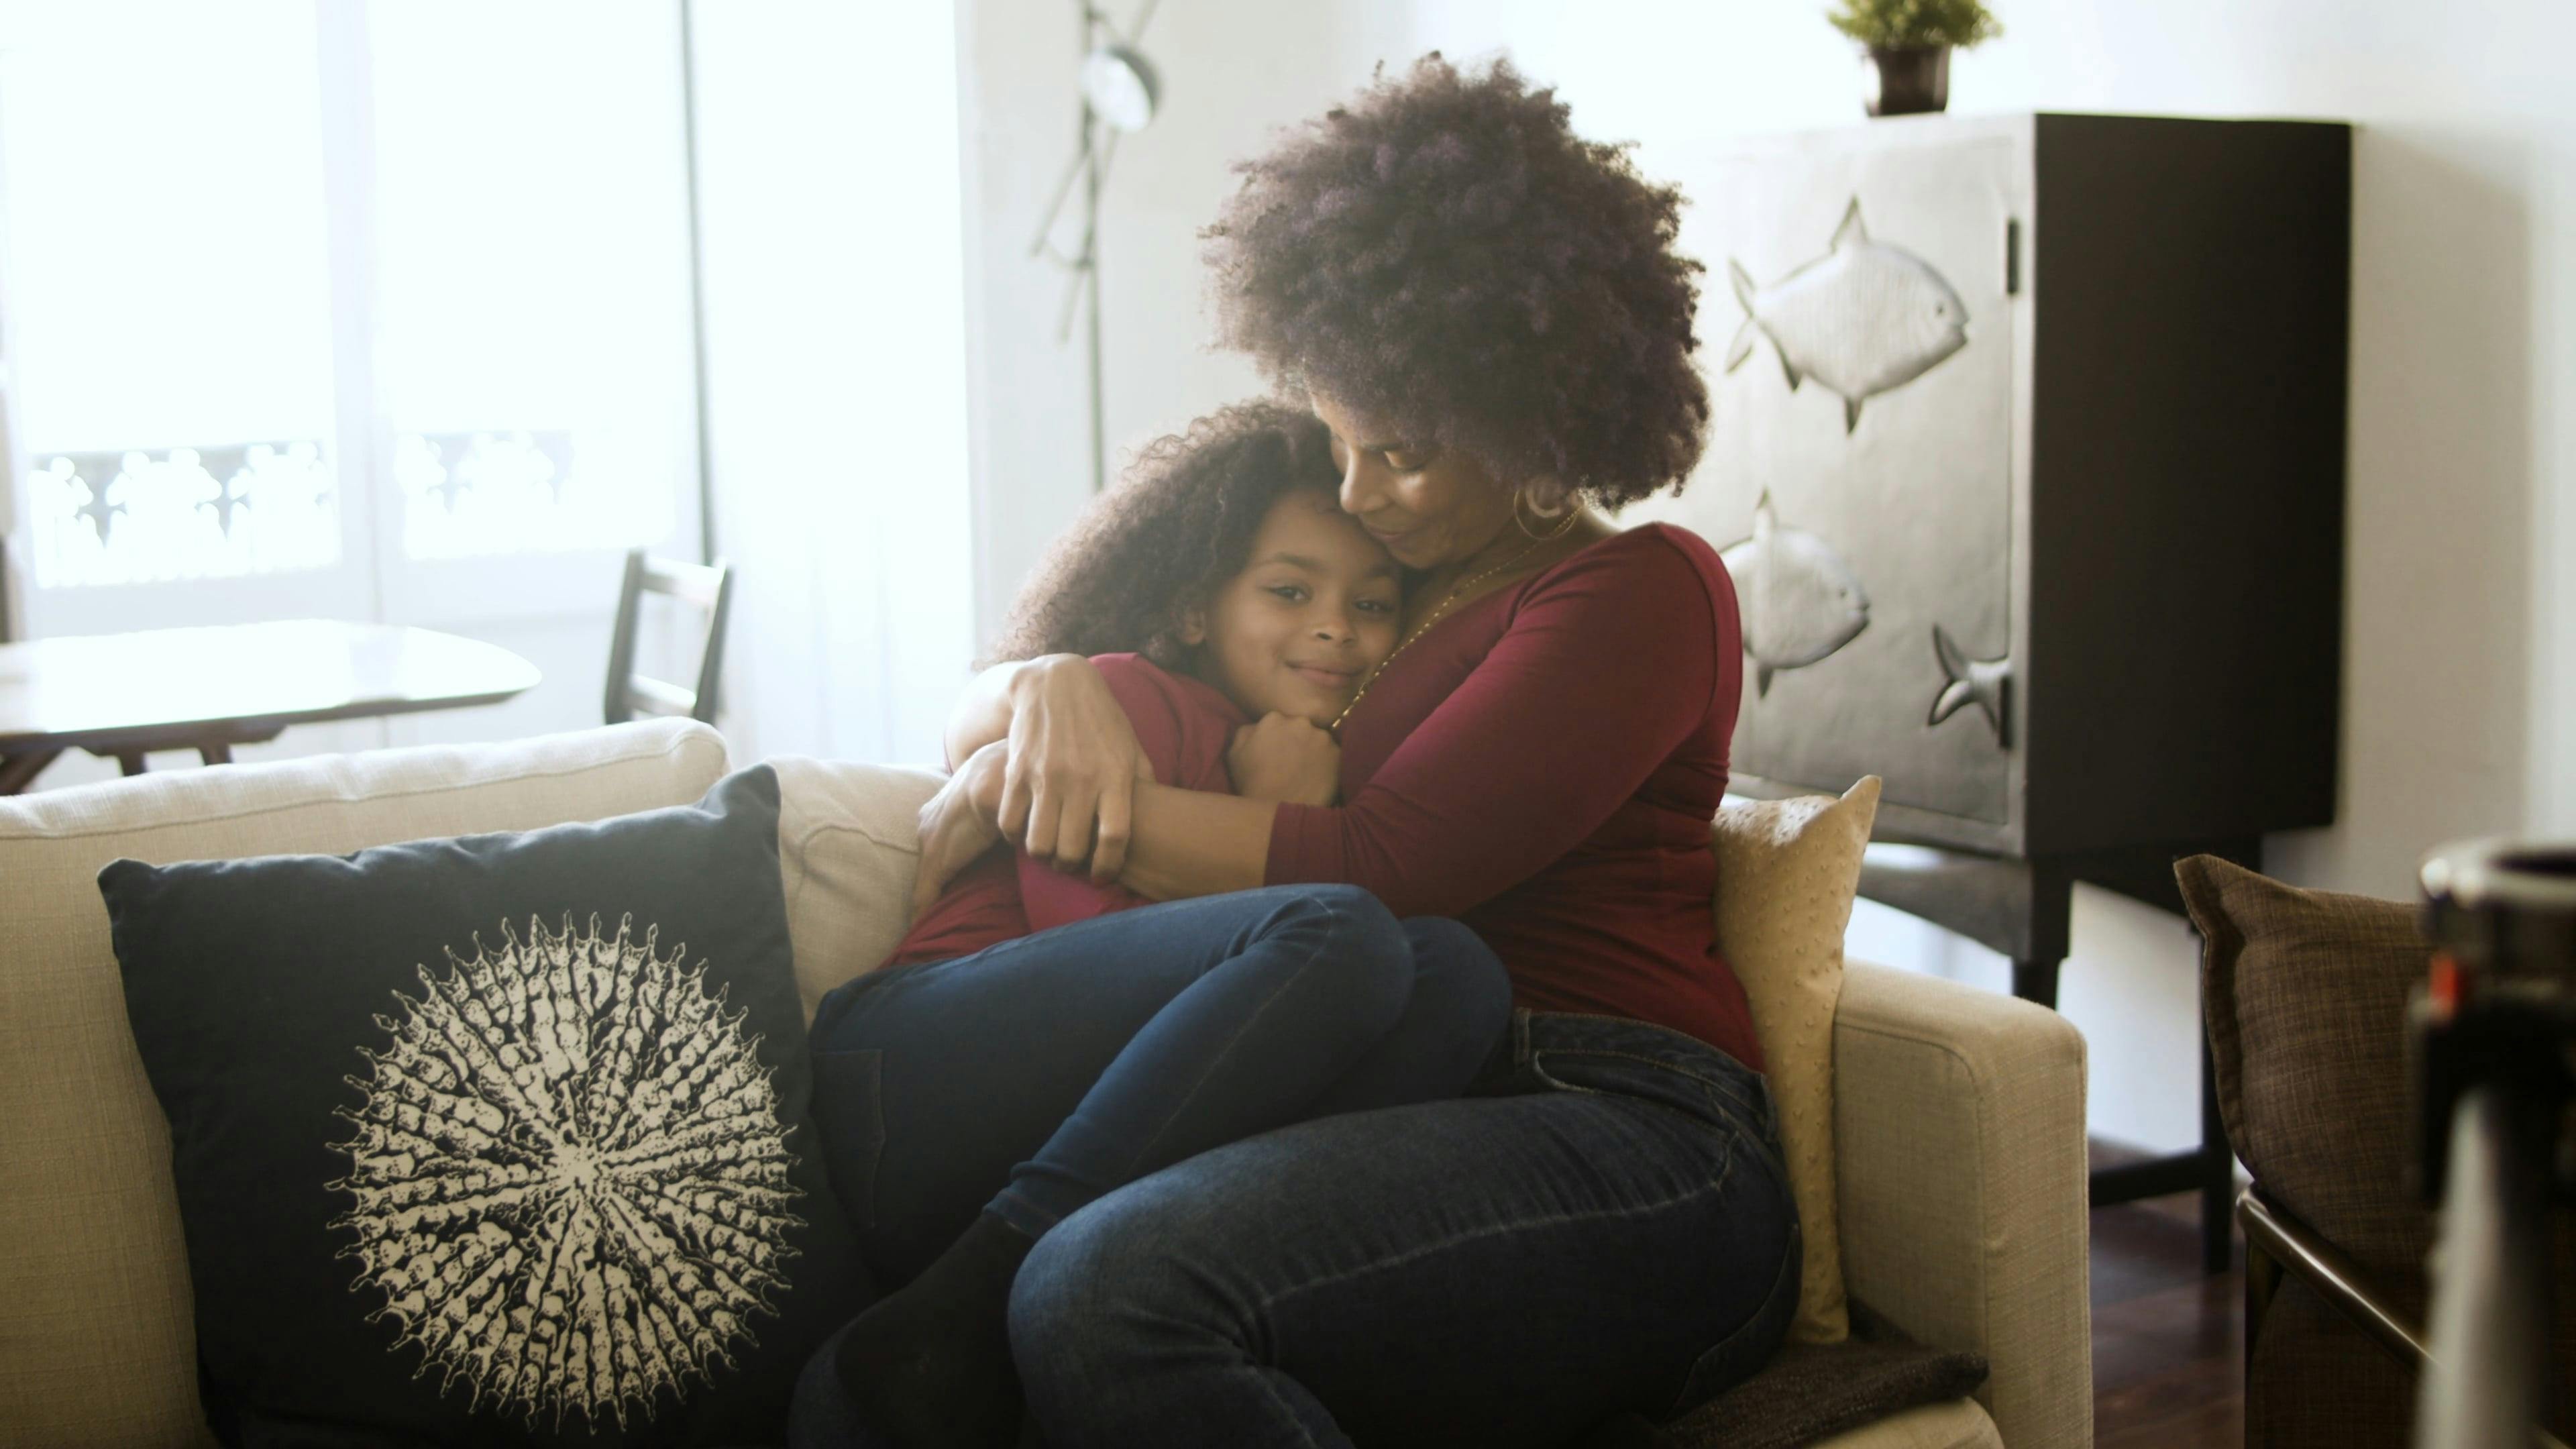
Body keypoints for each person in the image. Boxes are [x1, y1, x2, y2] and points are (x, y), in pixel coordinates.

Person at [922, 54, 1801, 1448]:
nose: (1354, 494)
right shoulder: (1371, 590)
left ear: (1532, 418)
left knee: (1108, 1289)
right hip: (1398, 1085)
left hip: (1633, 1132)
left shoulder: (1641, 591)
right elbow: (1111, 662)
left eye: (1393, 452)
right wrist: (1036, 692)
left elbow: (1387, 869)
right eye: (1338, 443)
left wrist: (1070, 795)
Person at [795, 401, 1513, 1448]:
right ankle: (946, 1322)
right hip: (904, 1077)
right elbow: (1075, 925)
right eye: (1289, 590)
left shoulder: (1313, 758)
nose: (1336, 627)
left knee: (1456, 970)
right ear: (1190, 607)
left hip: (1054, 1125)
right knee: (1347, 933)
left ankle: (1135, 1306)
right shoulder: (1125, 699)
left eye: (1373, 602)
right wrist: (1279, 826)